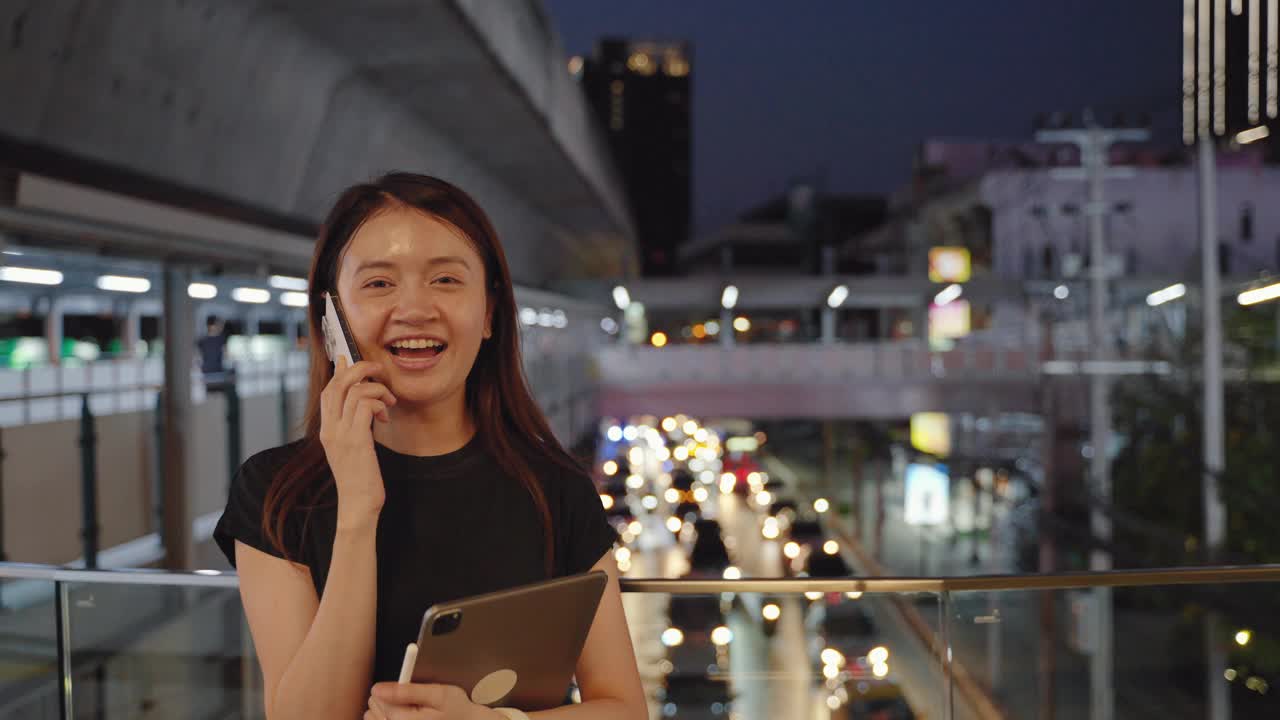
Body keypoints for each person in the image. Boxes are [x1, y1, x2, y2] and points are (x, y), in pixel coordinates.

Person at [213, 173, 646, 720]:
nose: (414, 309)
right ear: (331, 323)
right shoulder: (275, 492)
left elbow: (625, 707)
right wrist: (357, 509)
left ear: (489, 313)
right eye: (378, 284)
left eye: (445, 280)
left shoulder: (553, 488)